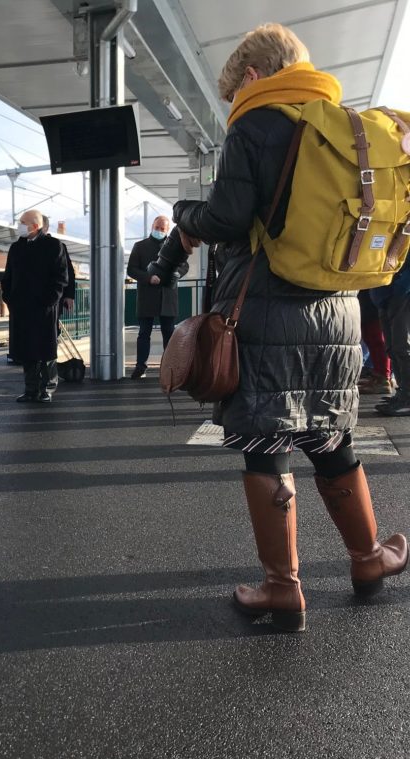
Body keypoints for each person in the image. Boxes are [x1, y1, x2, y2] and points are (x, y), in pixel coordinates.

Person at [148, 23, 407, 632]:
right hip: (338, 307)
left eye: (233, 89)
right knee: (331, 436)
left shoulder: (257, 123)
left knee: (267, 444)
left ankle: (282, 588)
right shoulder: (343, 126)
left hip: (264, 308)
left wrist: (184, 215)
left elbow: (228, 215)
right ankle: (368, 559)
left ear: (253, 76)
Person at [1, 209, 69, 403]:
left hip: (44, 309)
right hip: (21, 309)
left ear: (35, 226)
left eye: (23, 222)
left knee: (45, 350)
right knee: (26, 350)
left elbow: (61, 278)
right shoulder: (16, 248)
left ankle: (47, 388)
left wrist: (49, 302)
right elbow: (8, 277)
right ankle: (31, 389)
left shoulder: (54, 246)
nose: (19, 226)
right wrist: (9, 299)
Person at [126, 215, 189, 379]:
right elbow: (131, 270)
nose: (159, 231)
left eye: (163, 228)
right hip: (147, 295)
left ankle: (169, 367)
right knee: (144, 332)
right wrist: (148, 277)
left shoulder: (176, 246)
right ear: (152, 226)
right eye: (157, 227)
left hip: (168, 296)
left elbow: (184, 266)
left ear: (167, 230)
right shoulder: (139, 246)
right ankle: (140, 367)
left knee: (169, 332)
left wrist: (176, 274)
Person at [372, 259, 410, 414]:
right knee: (393, 347)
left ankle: (407, 397)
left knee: (402, 346)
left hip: (402, 290)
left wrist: (402, 287)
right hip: (388, 290)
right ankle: (403, 393)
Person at [358, 289, 393, 395]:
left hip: (375, 289)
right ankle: (380, 375)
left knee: (375, 336)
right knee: (369, 335)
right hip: (367, 290)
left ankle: (383, 377)